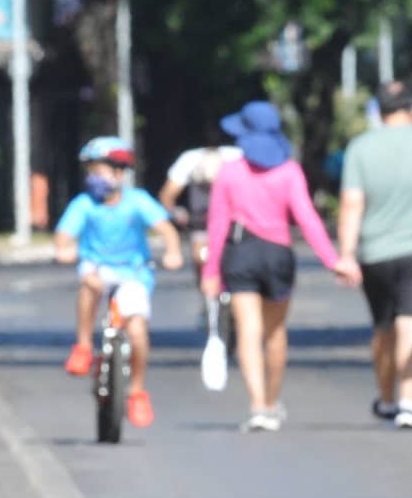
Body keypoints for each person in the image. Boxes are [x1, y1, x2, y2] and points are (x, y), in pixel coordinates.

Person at [200, 101, 360, 432]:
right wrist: (333, 261)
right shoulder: (289, 171)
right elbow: (307, 219)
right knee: (275, 332)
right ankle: (271, 403)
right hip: (278, 255)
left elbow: (217, 225)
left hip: (240, 252)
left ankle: (257, 406)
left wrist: (210, 271)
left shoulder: (229, 172)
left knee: (248, 330)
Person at [338, 81, 412, 429]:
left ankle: (388, 398)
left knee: (384, 328)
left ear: (379, 109)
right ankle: (409, 403)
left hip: (374, 252)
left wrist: (346, 253)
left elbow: (351, 202)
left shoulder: (360, 147)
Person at [56, 137, 183, 429]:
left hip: (133, 272)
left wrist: (174, 252)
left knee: (137, 331)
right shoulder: (84, 204)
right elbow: (64, 234)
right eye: (91, 172)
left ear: (119, 172)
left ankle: (136, 391)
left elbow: (165, 229)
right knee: (90, 286)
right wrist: (64, 249)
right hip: (97, 267)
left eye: (99, 171)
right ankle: (84, 346)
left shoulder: (136, 201)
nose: (94, 178)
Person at [158, 135, 243, 272]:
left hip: (232, 219)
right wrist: (177, 213)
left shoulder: (237, 156)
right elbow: (167, 195)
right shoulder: (189, 160)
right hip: (203, 219)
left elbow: (167, 194)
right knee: (201, 255)